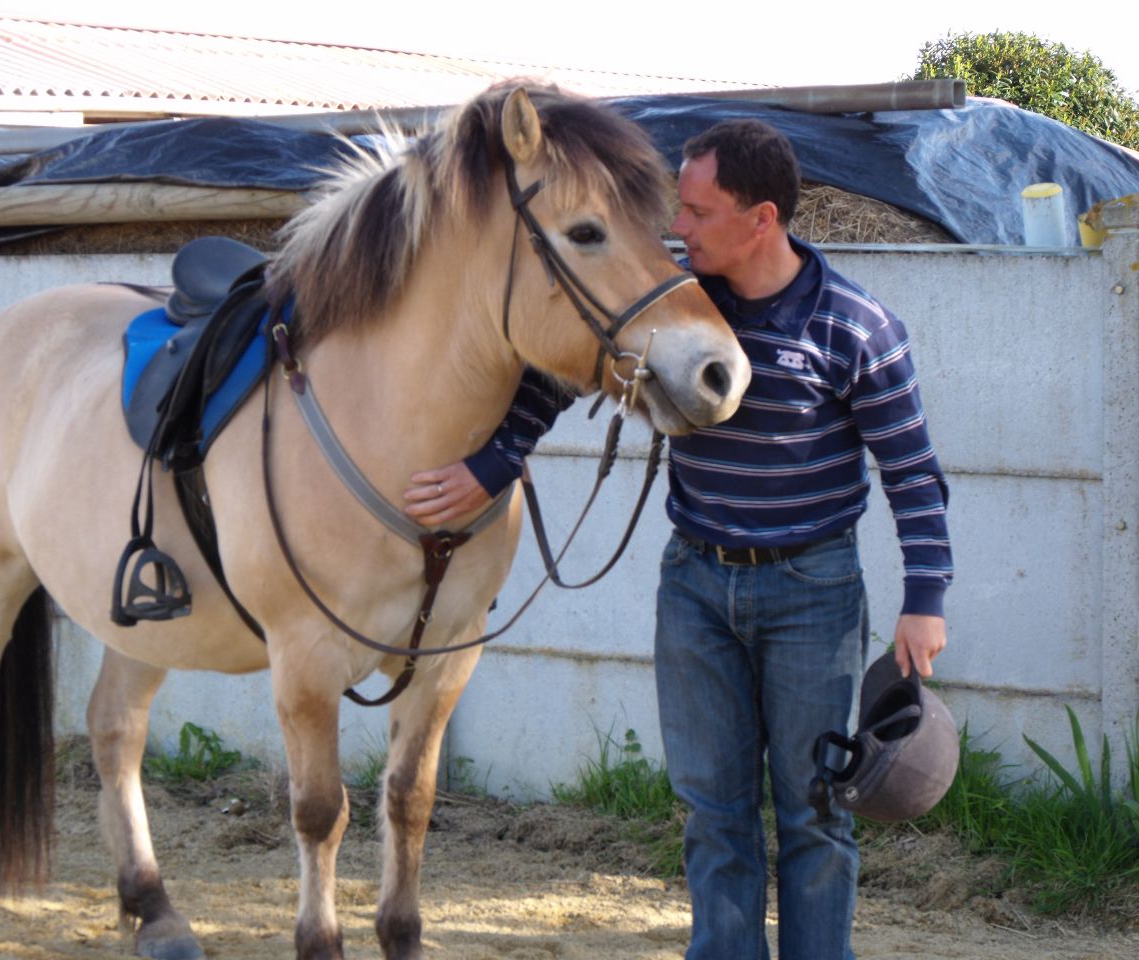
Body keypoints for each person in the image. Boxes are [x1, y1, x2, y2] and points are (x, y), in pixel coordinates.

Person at [403, 118, 952, 960]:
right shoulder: (670, 303)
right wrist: (491, 464)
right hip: (695, 584)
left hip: (813, 593)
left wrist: (925, 601)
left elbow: (912, 472)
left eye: (696, 212)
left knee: (814, 808)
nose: (675, 227)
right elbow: (555, 379)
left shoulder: (856, 326)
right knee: (712, 809)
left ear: (760, 219)